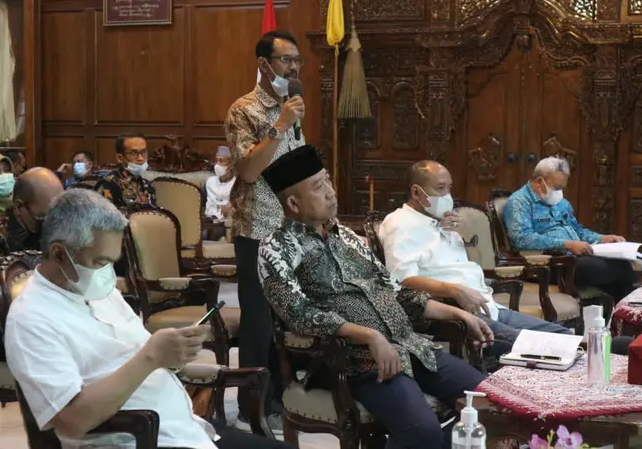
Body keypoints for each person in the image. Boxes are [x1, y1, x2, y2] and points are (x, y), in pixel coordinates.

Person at [4, 189, 292, 449]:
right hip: (135, 440)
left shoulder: (96, 289)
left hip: (185, 430)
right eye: (100, 262)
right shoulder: (32, 318)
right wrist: (151, 358)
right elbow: (72, 420)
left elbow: (138, 354)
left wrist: (173, 354)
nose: (106, 274)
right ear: (59, 253)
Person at [258, 146, 491, 449]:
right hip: (356, 363)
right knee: (423, 432)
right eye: (318, 187)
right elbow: (298, 314)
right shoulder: (275, 248)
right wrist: (368, 336)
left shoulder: (350, 238)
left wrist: (460, 314)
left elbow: (396, 292)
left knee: (493, 404)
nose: (331, 192)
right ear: (293, 202)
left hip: (410, 346)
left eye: (328, 181)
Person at [378, 160, 572, 348]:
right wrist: (454, 290)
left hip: (489, 307)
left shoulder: (442, 223)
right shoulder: (400, 223)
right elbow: (402, 279)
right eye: (440, 188)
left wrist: (456, 234)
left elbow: (471, 267)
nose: (447, 196)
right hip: (459, 313)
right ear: (416, 192)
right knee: (543, 347)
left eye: (449, 188)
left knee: (564, 338)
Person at [224, 30, 306, 430]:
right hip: (256, 229)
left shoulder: (293, 107)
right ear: (264, 64)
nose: (293, 67)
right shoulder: (245, 109)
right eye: (286, 59)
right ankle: (250, 410)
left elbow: (294, 166)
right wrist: (279, 124)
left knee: (286, 319)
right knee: (258, 324)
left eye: (296, 60)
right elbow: (248, 170)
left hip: (291, 230)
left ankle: (281, 399)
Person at [504, 156, 642, 301]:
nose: (559, 192)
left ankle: (627, 316)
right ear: (539, 181)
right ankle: (637, 299)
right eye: (556, 187)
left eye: (562, 187)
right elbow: (522, 239)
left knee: (616, 270)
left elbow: (578, 231)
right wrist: (566, 244)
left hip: (578, 256)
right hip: (550, 263)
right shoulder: (519, 202)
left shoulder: (560, 202)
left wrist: (600, 238)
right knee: (614, 269)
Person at [0, 168, 64, 364]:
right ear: (19, 207)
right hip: (11, 333)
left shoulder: (55, 232)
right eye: (43, 217)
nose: (51, 225)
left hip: (54, 321)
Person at [95, 133, 156, 208]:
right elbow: (103, 217)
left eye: (143, 152)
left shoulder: (147, 184)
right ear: (120, 158)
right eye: (134, 153)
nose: (141, 158)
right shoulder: (108, 184)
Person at [205, 146, 235, 221]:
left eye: (221, 161)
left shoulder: (237, 184)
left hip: (224, 223)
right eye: (216, 160)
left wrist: (231, 205)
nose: (217, 164)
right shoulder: (210, 181)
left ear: (230, 164)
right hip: (207, 221)